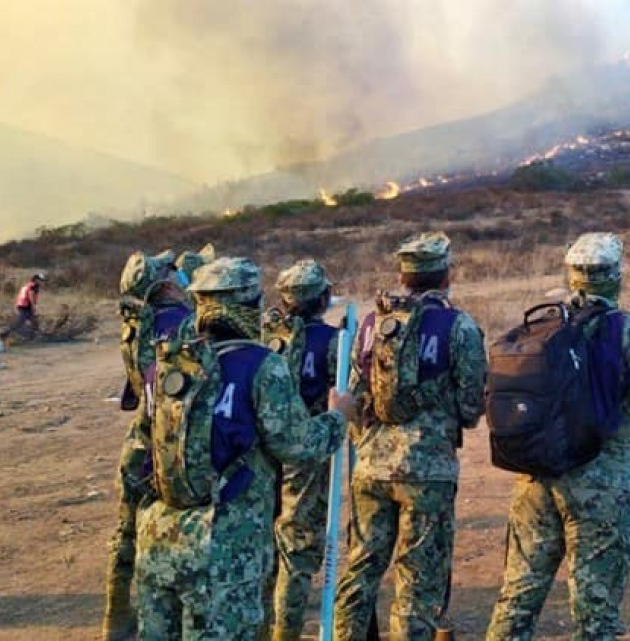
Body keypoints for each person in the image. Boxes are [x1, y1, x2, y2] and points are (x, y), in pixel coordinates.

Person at [133, 256, 355, 640]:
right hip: (225, 545)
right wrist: (338, 417)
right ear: (248, 306)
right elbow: (298, 445)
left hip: (159, 538)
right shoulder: (260, 365)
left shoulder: (168, 365)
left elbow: (139, 452)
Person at [486, 232, 630, 640]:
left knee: (519, 594)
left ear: (572, 275)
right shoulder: (629, 330)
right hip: (599, 483)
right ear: (617, 276)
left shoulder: (540, 325)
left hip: (535, 476)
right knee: (595, 610)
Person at [333, 232, 488, 641]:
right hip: (428, 469)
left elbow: (355, 395)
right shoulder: (459, 326)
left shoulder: (371, 325)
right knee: (418, 580)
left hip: (370, 466)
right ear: (445, 274)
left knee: (360, 570)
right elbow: (472, 408)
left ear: (403, 276)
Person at [103, 250, 193, 640]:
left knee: (125, 534)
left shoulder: (138, 325)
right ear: (163, 284)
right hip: (171, 445)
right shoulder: (182, 324)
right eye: (172, 272)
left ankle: (116, 618)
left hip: (139, 441)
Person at [262, 259, 340, 641]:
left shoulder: (267, 340)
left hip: (264, 456)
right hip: (307, 454)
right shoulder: (331, 342)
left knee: (267, 545)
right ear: (322, 298)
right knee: (298, 548)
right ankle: (286, 631)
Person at [3, 272, 46, 337]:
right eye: (41, 280)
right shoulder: (34, 285)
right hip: (25, 305)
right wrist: (33, 306)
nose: (42, 282)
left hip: (22, 304)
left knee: (33, 320)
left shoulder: (28, 284)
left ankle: (35, 335)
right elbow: (31, 295)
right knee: (20, 321)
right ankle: (5, 332)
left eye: (42, 280)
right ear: (36, 279)